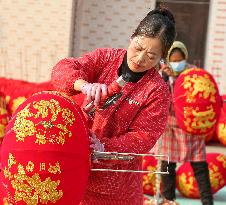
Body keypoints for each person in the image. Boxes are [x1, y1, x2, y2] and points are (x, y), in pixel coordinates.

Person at [51, 7, 176, 205]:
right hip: (75, 171)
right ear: (131, 37)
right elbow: (62, 70)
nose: (140, 58)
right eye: (138, 47)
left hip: (117, 187)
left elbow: (142, 138)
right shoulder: (106, 58)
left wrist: (103, 147)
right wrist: (84, 85)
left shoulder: (157, 91)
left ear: (162, 58)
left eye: (151, 56)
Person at [157, 41, 213, 205]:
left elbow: (203, 94)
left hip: (190, 125)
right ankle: (169, 200)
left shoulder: (194, 74)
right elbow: (157, 96)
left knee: (199, 165)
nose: (176, 63)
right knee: (168, 166)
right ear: (167, 60)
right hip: (170, 126)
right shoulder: (161, 75)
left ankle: (207, 202)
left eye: (179, 59)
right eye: (173, 60)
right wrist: (165, 78)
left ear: (185, 57)